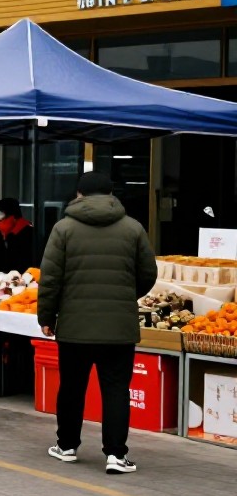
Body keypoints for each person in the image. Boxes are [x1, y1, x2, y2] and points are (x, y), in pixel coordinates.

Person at [39, 171, 157, 475]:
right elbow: (148, 274)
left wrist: (47, 317)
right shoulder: (133, 229)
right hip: (118, 329)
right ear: (111, 194)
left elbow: (50, 279)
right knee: (117, 389)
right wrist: (125, 295)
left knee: (72, 388)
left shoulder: (63, 229)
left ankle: (66, 446)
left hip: (75, 328)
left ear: (79, 194)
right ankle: (116, 455)